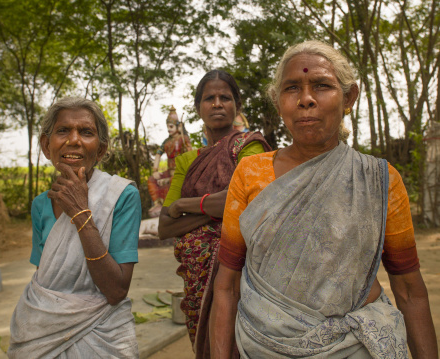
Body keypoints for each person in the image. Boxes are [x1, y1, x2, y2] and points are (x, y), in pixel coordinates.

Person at [210, 41, 438, 358]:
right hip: (266, 346)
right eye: (292, 88)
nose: (306, 100)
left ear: (349, 98)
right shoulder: (251, 174)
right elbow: (226, 286)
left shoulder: (378, 180)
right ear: (278, 102)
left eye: (322, 85)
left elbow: (410, 292)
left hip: (356, 348)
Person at [8, 97, 141, 358]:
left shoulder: (122, 196)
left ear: (101, 150)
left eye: (86, 132)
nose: (74, 140)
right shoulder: (39, 205)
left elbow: (116, 291)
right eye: (63, 131)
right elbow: (47, 286)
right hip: (42, 333)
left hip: (105, 333)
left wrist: (81, 214)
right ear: (47, 146)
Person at [158, 70, 271, 358]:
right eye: (209, 98)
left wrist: (184, 206)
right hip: (198, 278)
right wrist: (220, 208)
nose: (218, 103)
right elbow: (165, 227)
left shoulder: (250, 146)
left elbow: (251, 203)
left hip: (246, 272)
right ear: (198, 108)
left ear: (237, 106)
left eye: (225, 97)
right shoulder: (187, 159)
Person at [148, 105, 192, 217]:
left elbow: (189, 153)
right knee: (152, 180)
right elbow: (158, 154)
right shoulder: (166, 142)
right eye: (167, 127)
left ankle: (173, 206)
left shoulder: (183, 138)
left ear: (178, 126)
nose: (169, 129)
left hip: (180, 172)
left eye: (171, 126)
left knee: (174, 180)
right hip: (169, 171)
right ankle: (158, 204)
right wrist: (155, 170)